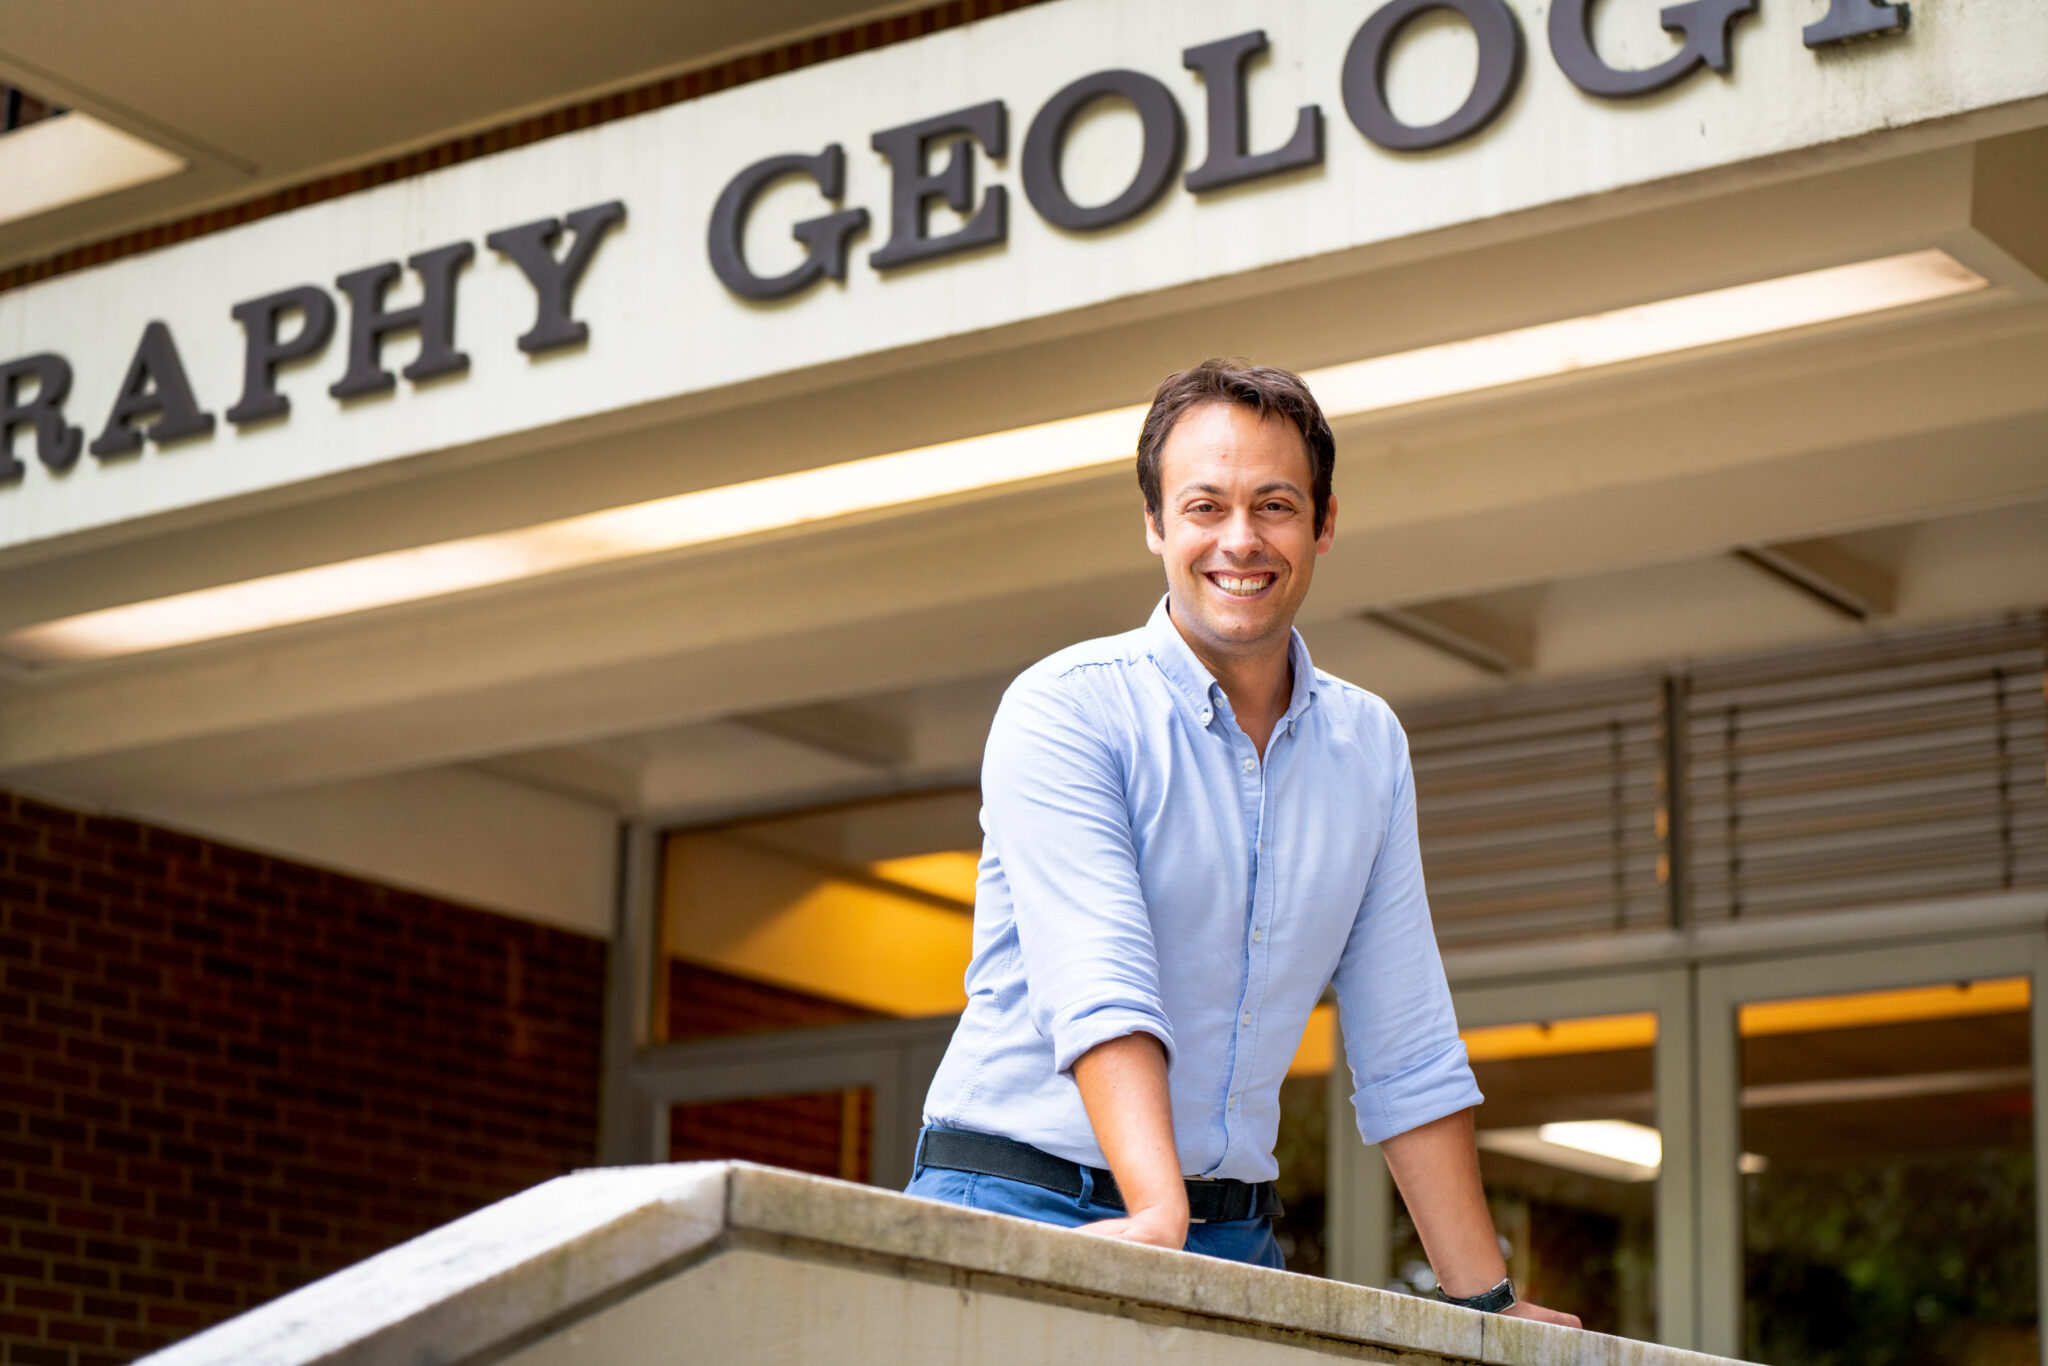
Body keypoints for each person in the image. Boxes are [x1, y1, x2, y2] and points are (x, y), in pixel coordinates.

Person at [904, 359, 1578, 1327]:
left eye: (1273, 505)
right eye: (1203, 506)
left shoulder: (1365, 744)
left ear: (1322, 522)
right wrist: (1154, 1208)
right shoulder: (1066, 708)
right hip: (1022, 1200)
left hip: (1226, 1231)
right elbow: (1099, 977)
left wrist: (1487, 1302)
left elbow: (1405, 1042)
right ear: (1153, 524)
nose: (1239, 540)